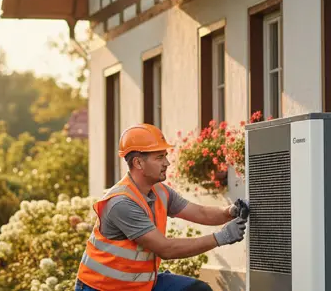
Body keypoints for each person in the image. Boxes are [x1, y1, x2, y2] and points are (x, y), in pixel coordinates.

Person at [75, 123, 250, 291]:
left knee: (197, 290)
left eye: (165, 155)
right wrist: (222, 237)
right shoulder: (122, 203)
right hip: (102, 288)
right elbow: (166, 249)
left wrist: (230, 211)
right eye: (159, 157)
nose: (167, 162)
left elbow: (201, 213)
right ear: (138, 163)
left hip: (139, 285)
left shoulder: (160, 191)